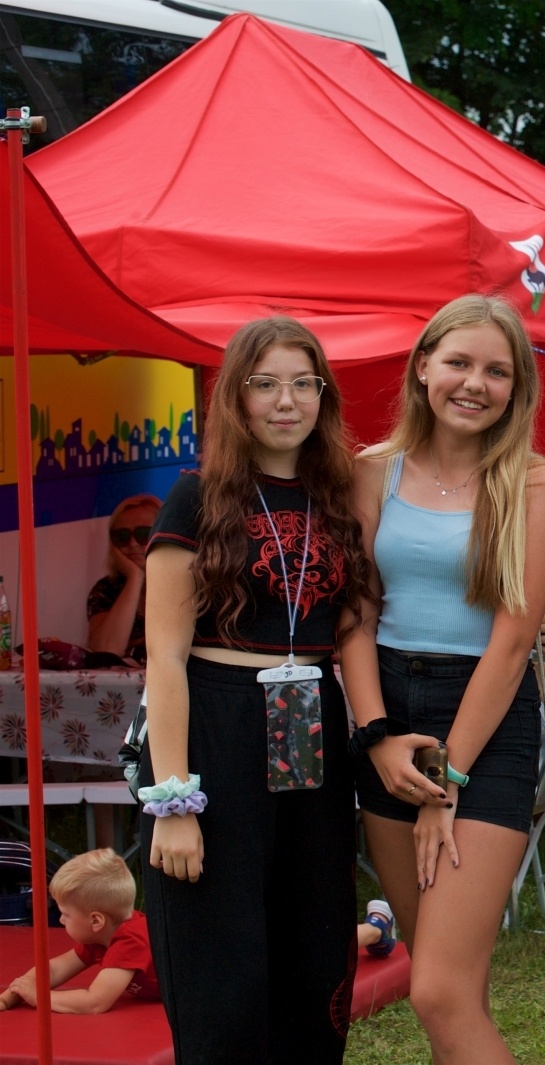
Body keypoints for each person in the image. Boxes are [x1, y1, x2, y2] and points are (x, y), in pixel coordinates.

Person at [344, 294, 545, 1064]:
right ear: (424, 368)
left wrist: (448, 780)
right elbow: (355, 619)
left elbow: (510, 647)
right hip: (388, 722)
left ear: (518, 387)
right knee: (451, 994)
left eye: (497, 371)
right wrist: (376, 738)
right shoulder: (370, 472)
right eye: (460, 362)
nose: (475, 383)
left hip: (484, 722)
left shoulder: (536, 485)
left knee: (434, 988)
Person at [140, 317, 368, 1063]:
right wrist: (175, 802)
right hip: (214, 728)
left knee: (313, 966)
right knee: (222, 981)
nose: (286, 401)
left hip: (313, 734)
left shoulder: (338, 496)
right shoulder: (193, 497)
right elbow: (164, 661)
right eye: (265, 383)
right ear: (233, 399)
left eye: (304, 383)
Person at [0, 848, 159, 1013]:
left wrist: (40, 998)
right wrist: (8, 998)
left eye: (65, 914)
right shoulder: (100, 936)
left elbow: (95, 1002)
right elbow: (54, 970)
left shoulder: (131, 941)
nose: (61, 920)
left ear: (95, 920)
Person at [87, 493, 162, 664]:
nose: (132, 543)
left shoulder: (187, 584)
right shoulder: (107, 588)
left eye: (143, 534)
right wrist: (135, 577)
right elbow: (107, 650)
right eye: (121, 536)